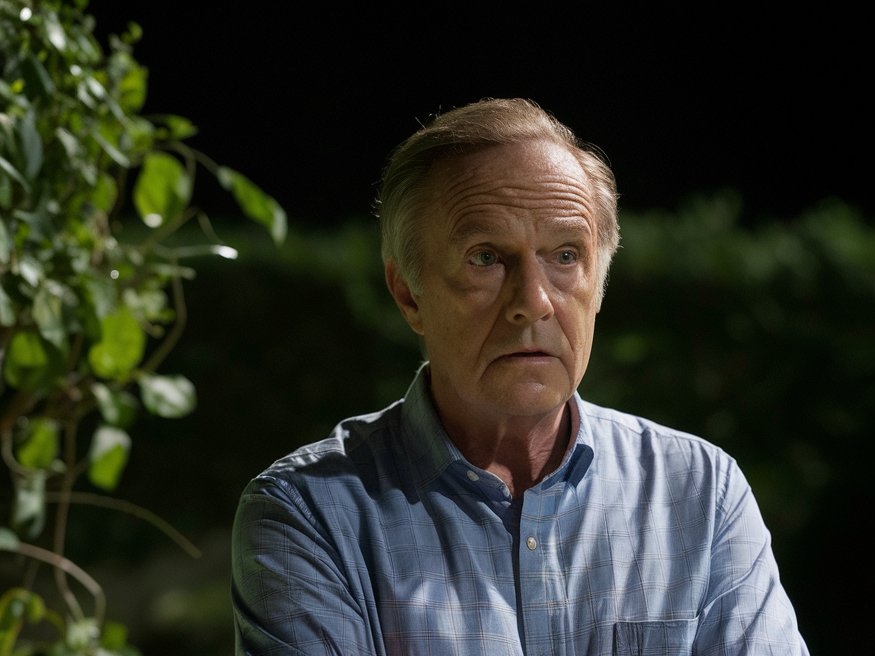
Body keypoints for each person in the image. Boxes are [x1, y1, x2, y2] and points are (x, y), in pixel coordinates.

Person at [231, 97, 809, 655]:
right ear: (408, 292)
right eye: (485, 257)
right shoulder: (310, 514)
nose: (533, 302)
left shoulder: (700, 493)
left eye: (565, 256)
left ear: (599, 284)